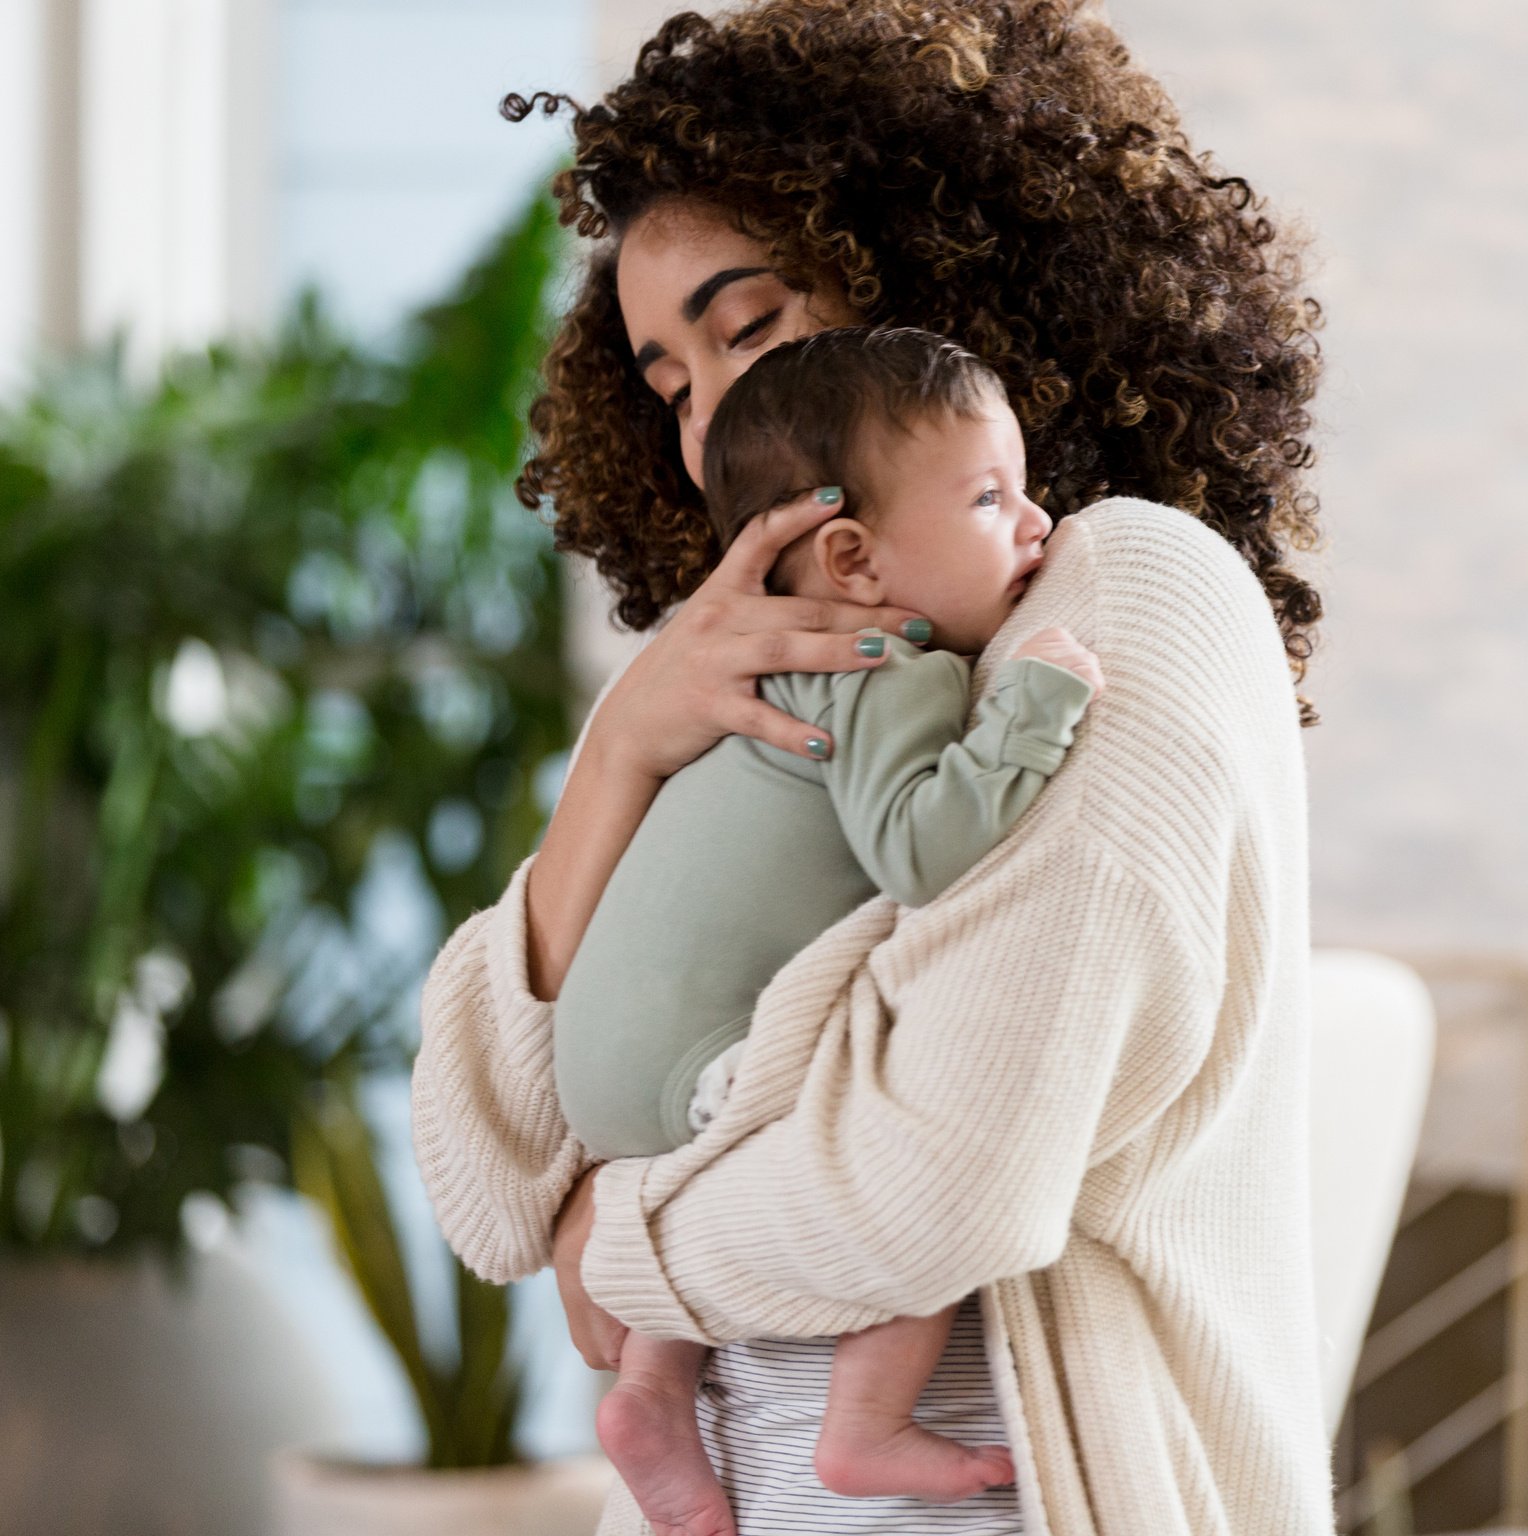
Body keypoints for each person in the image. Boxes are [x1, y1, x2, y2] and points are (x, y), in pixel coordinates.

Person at [410, 5, 1333, 1532]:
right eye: (668, 379)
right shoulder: (758, 686)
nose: (710, 426)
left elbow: (931, 1190)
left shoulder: (1128, 595)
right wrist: (624, 748)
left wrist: (621, 1237)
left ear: (930, 287)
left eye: (748, 325)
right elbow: (493, 1178)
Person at [556, 325, 1103, 1534]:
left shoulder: (742, 675)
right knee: (907, 1146)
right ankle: (864, 1429)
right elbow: (920, 844)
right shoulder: (892, 667)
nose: (1039, 524)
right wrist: (1034, 709)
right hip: (694, 1057)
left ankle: (651, 1389)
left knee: (756, 1121)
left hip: (604, 1073)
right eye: (989, 497)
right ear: (853, 559)